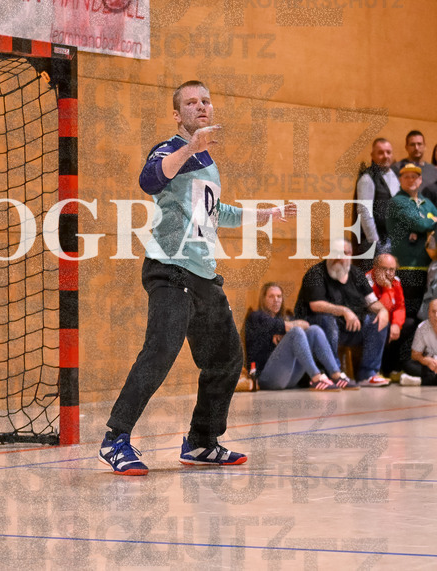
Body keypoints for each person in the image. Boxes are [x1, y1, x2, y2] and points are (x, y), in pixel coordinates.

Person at [99, 80, 296, 476]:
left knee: (227, 358)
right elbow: (149, 180)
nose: (201, 106)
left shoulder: (208, 164)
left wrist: (264, 214)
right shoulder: (172, 149)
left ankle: (202, 442)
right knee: (161, 350)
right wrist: (192, 147)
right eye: (191, 102)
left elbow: (215, 211)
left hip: (203, 274)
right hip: (169, 270)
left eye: (205, 100)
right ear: (177, 115)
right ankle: (115, 439)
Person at [293, 238, 390, 386]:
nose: (340, 257)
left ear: (351, 256)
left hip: (349, 329)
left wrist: (383, 311)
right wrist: (345, 311)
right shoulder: (315, 274)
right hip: (319, 330)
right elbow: (315, 305)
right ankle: (334, 372)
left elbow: (372, 302)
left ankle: (368, 374)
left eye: (345, 253)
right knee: (327, 320)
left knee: (377, 320)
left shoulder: (356, 274)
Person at [244, 283, 356, 391]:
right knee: (296, 331)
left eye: (279, 296)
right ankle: (316, 378)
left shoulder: (284, 318)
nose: (276, 300)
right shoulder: (256, 317)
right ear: (263, 299)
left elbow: (305, 325)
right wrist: (288, 329)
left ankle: (336, 375)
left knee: (314, 330)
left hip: (288, 379)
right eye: (271, 296)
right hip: (266, 379)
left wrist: (285, 332)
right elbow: (291, 327)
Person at [386, 163, 437, 343]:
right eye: (406, 176)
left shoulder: (427, 203)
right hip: (406, 268)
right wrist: (427, 223)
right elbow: (421, 224)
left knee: (421, 317)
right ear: (400, 181)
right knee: (405, 316)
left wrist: (427, 223)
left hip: (427, 268)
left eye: (414, 176)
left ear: (421, 180)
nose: (411, 180)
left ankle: (412, 362)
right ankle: (396, 364)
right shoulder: (397, 202)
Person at [353, 138, 398, 258]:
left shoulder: (396, 176)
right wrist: (375, 243)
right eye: (381, 152)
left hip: (395, 241)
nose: (385, 156)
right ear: (372, 155)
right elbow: (364, 212)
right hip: (377, 244)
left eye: (388, 152)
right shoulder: (367, 178)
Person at [365, 252, 406, 376]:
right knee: (380, 323)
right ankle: (375, 370)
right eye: (384, 269)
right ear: (375, 268)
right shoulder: (367, 281)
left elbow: (400, 307)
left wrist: (396, 325)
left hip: (388, 320)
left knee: (408, 325)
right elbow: (379, 309)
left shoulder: (396, 281)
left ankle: (393, 369)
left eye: (392, 269)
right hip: (368, 320)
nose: (388, 273)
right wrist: (388, 288)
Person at [393, 131, 437, 205]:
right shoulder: (396, 168)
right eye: (412, 145)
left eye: (419, 144)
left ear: (424, 146)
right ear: (406, 147)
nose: (416, 148)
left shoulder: (433, 169)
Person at [404, 299, 437, 385]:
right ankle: (430, 379)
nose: (436, 315)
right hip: (429, 365)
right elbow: (415, 354)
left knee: (429, 374)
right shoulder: (422, 328)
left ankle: (420, 381)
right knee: (408, 365)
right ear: (428, 313)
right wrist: (426, 360)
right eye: (433, 312)